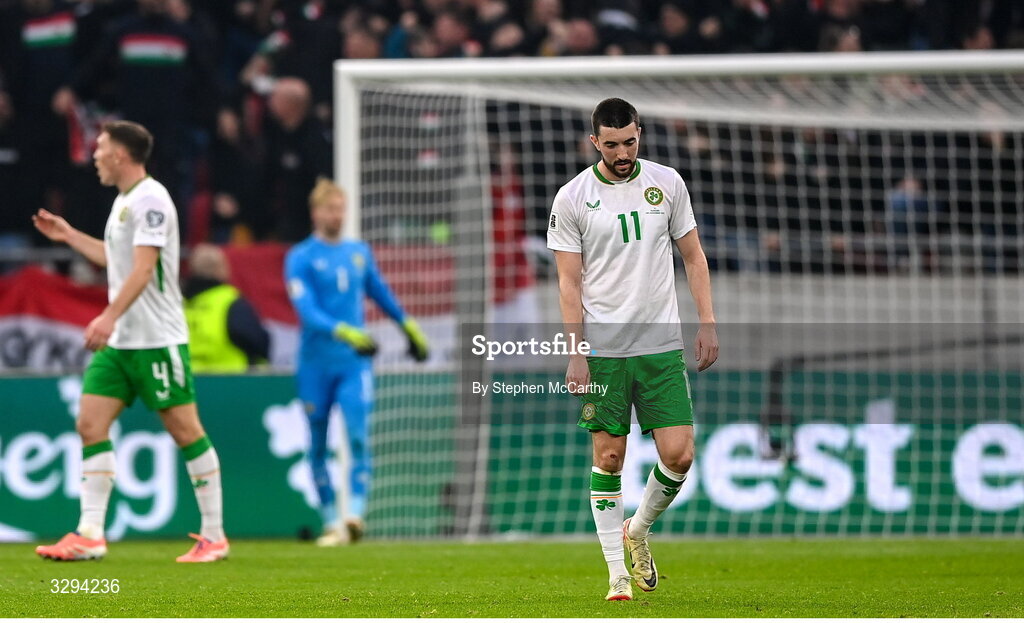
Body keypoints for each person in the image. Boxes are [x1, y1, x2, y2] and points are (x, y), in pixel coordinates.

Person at [32, 120, 228, 563]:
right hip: (122, 343)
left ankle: (214, 535)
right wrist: (68, 236)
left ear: (121, 154)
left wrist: (107, 315)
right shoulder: (125, 202)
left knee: (185, 430)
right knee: (89, 424)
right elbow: (114, 258)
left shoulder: (152, 199)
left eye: (100, 147)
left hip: (156, 340)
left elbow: (143, 269)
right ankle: (89, 534)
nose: (94, 155)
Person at [546, 98, 718, 600]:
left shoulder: (667, 183)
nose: (623, 152)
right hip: (603, 350)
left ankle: (637, 530)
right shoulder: (573, 197)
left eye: (630, 141)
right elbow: (568, 282)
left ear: (639, 134)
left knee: (680, 455)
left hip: (660, 346)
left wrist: (707, 322)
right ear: (594, 142)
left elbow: (694, 257)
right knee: (610, 455)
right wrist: (574, 352)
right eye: (612, 144)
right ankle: (615, 573)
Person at [284, 177, 430, 546]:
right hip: (316, 364)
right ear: (316, 212)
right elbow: (307, 311)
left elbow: (379, 292)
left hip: (354, 364)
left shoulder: (358, 252)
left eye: (341, 208)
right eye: (330, 208)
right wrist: (344, 331)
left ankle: (354, 517)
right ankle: (331, 521)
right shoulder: (300, 257)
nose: (337, 215)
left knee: (358, 436)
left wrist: (406, 325)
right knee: (318, 442)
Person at [183, 243, 270, 373]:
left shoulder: (179, 303)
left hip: (188, 378)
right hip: (230, 381)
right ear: (221, 269)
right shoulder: (230, 301)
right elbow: (256, 341)